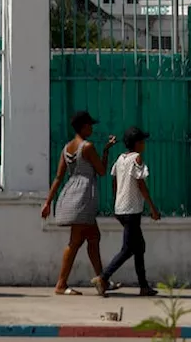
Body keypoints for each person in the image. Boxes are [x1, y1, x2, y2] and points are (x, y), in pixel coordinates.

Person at [42, 110, 116, 296]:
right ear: (83, 127)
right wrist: (106, 151)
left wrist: (48, 202)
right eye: (89, 125)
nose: (91, 127)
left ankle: (102, 279)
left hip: (71, 194)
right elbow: (101, 171)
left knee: (93, 238)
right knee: (75, 242)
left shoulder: (66, 148)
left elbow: (58, 177)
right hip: (84, 197)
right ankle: (61, 284)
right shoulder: (88, 147)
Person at [94, 126, 160, 297]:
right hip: (132, 209)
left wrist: (117, 202)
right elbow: (141, 185)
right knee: (129, 249)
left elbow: (114, 181)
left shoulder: (120, 159)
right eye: (142, 141)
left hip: (121, 208)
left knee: (139, 247)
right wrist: (153, 207)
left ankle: (144, 286)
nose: (144, 144)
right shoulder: (136, 158)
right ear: (136, 144)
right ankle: (103, 277)